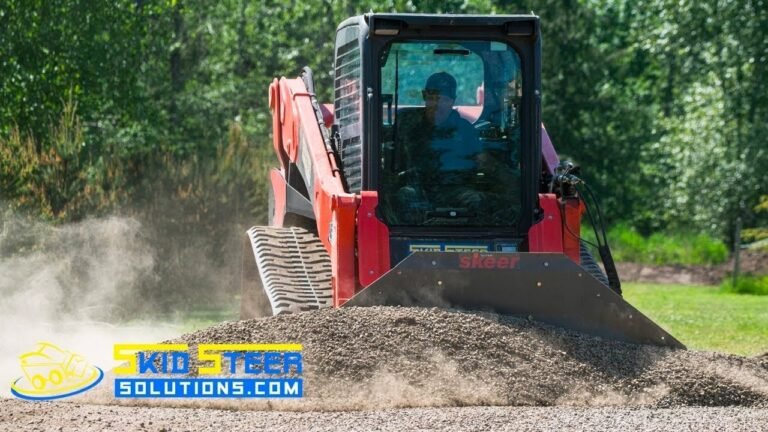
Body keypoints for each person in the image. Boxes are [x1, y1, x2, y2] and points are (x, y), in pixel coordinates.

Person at [389, 72, 484, 220]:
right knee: (404, 197)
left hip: (454, 188)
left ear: (453, 101)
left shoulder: (465, 130)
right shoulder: (407, 125)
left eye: (444, 100)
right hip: (416, 186)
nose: (437, 105)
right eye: (432, 98)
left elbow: (480, 160)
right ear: (424, 96)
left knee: (475, 201)